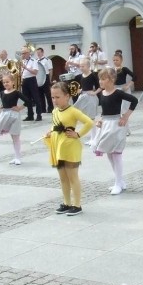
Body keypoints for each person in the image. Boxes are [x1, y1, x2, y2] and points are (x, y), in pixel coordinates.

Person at [44, 81, 94, 216]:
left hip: (71, 148)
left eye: (58, 97)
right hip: (58, 148)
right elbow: (55, 125)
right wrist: (50, 132)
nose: (55, 100)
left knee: (73, 177)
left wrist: (78, 134)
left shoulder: (73, 111)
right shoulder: (55, 111)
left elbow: (89, 122)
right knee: (63, 178)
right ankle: (66, 203)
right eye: (53, 97)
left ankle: (77, 205)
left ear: (67, 96)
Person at [93, 67, 138, 194]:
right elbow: (105, 110)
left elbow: (134, 100)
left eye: (103, 79)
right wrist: (101, 119)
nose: (100, 82)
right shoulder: (102, 94)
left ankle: (118, 183)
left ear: (112, 79)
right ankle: (119, 180)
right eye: (99, 79)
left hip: (116, 126)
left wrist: (126, 116)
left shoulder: (118, 93)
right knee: (109, 153)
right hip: (106, 125)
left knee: (116, 154)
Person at [0, 68, 28, 165]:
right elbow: (5, 103)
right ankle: (15, 157)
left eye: (7, 82)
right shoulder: (2, 93)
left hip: (14, 115)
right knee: (12, 137)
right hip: (5, 114)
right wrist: (1, 106)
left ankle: (18, 157)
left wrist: (20, 108)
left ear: (12, 82)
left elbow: (28, 101)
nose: (6, 84)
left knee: (16, 136)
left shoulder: (16, 92)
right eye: (4, 82)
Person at [74, 57, 101, 145]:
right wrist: (80, 90)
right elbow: (83, 86)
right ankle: (92, 138)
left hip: (91, 98)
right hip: (83, 97)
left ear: (88, 66)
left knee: (91, 119)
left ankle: (94, 138)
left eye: (83, 66)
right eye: (80, 66)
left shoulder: (93, 75)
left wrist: (95, 93)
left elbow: (100, 86)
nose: (81, 68)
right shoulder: (80, 76)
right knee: (85, 118)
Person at [19, 46, 42, 121]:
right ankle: (30, 115)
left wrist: (26, 67)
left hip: (31, 80)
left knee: (36, 98)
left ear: (28, 53)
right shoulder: (22, 61)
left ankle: (39, 115)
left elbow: (35, 72)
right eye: (22, 53)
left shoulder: (33, 61)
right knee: (27, 99)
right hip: (24, 80)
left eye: (24, 53)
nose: (22, 55)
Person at [35, 47, 54, 114]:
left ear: (42, 52)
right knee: (40, 94)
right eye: (37, 53)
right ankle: (43, 108)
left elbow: (50, 70)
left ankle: (51, 108)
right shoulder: (36, 61)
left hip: (46, 77)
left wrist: (50, 79)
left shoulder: (47, 60)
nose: (38, 54)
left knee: (48, 94)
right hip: (39, 78)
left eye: (39, 53)